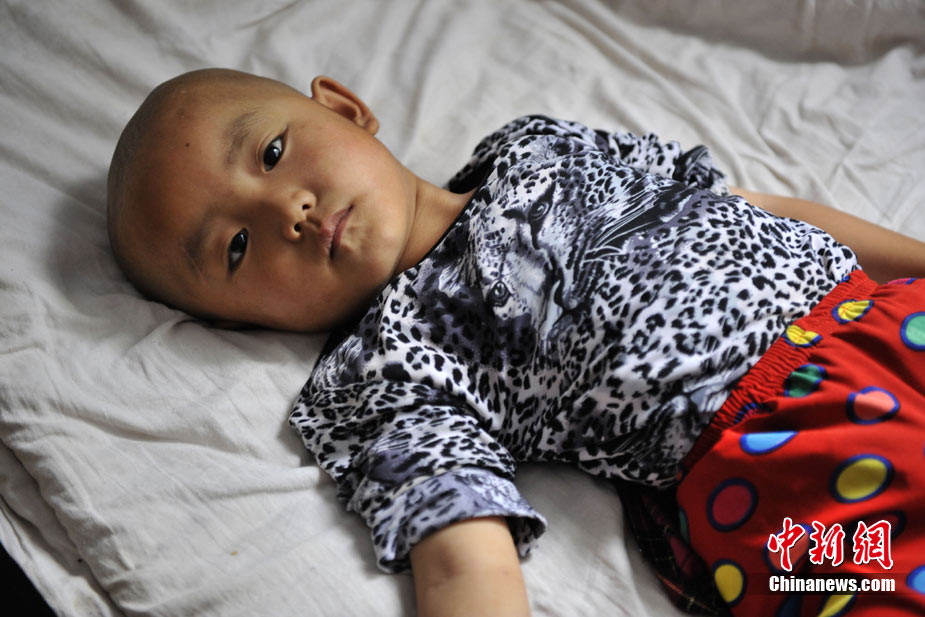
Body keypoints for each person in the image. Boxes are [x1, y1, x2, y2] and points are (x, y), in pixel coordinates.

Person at [107, 68, 925, 617]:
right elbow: (462, 553)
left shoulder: (537, 145)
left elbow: (755, 207)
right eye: (235, 248)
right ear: (244, 321)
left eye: (272, 152)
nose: (286, 209)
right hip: (781, 454)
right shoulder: (385, 369)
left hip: (887, 316)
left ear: (345, 108)